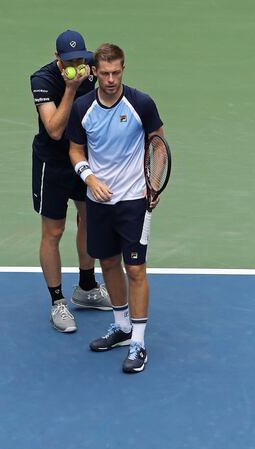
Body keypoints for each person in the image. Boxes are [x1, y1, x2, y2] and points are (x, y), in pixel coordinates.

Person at [67, 43, 164, 373]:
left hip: (134, 200)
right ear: (94, 71)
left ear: (123, 69)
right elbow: (76, 150)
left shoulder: (140, 103)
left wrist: (154, 180)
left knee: (135, 269)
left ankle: (138, 341)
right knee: (107, 262)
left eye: (116, 72)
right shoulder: (82, 107)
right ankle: (122, 327)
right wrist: (89, 178)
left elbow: (158, 144)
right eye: (105, 73)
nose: (110, 79)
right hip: (99, 202)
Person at [30, 30, 112, 333]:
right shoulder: (42, 80)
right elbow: (53, 129)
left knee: (89, 218)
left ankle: (87, 288)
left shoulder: (93, 69)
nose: (76, 64)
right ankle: (57, 302)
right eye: (68, 61)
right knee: (54, 230)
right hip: (52, 164)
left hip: (82, 158)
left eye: (80, 59)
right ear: (57, 60)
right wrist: (70, 87)